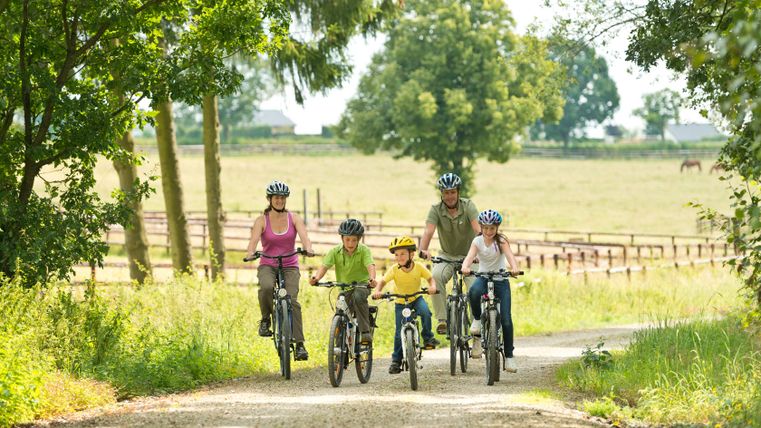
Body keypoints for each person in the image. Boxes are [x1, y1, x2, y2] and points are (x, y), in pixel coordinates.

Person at [246, 180, 314, 361]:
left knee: (292, 301)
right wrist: (250, 253)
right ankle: (266, 320)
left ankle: (299, 344)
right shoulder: (262, 220)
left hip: (290, 264)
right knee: (267, 287)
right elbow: (253, 241)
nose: (279, 200)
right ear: (270, 199)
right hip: (268, 264)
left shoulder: (294, 218)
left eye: (282, 198)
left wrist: (308, 248)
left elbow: (305, 237)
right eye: (276, 197)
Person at [418, 173, 480, 336]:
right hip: (446, 255)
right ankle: (442, 320)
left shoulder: (468, 206)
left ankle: (477, 324)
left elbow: (478, 230)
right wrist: (423, 249)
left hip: (470, 256)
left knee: (475, 287)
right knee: (435, 276)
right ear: (442, 194)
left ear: (458, 192)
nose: (450, 196)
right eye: (446, 192)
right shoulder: (436, 209)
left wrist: (480, 251)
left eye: (452, 192)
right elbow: (428, 231)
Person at [460, 209, 521, 372]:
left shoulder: (501, 241)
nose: (488, 231)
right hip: (483, 276)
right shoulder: (477, 241)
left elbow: (510, 256)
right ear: (481, 227)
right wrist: (465, 266)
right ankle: (478, 320)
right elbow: (469, 256)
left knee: (507, 319)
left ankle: (509, 357)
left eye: (492, 228)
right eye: (485, 228)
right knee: (473, 291)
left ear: (497, 228)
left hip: (501, 279)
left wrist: (514, 268)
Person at [373, 236, 439, 374]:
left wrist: (432, 287)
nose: (399, 257)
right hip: (401, 302)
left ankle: (427, 338)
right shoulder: (394, 269)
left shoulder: (419, 267)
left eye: (403, 253)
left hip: (416, 298)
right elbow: (382, 281)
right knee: (399, 333)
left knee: (426, 312)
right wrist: (378, 291)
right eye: (397, 255)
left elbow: (430, 278)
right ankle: (396, 361)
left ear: (412, 254)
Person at [309, 218, 377, 344]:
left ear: (359, 240)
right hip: (344, 287)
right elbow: (324, 266)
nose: (350, 243)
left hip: (362, 285)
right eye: (347, 239)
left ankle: (365, 332)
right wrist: (316, 278)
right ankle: (339, 348)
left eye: (354, 240)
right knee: (340, 311)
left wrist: (372, 279)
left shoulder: (364, 250)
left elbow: (370, 266)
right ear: (342, 238)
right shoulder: (335, 252)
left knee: (358, 296)